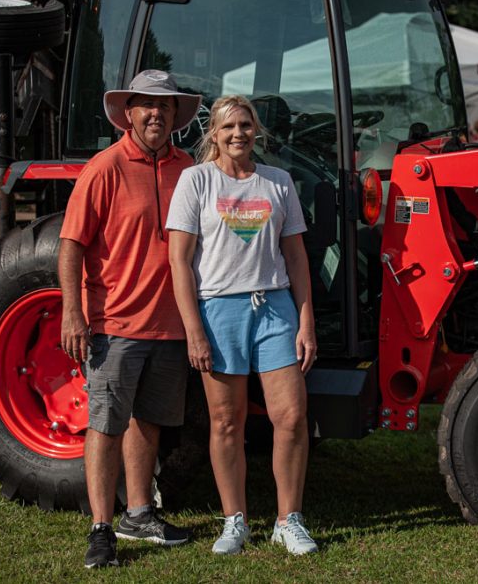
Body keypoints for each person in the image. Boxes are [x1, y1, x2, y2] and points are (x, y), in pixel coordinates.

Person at [59, 69, 201, 569]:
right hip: (114, 323)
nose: (156, 113)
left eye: (165, 106)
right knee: (106, 423)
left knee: (150, 421)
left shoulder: (190, 168)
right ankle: (101, 527)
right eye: (146, 105)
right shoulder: (105, 167)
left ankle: (139, 512)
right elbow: (71, 243)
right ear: (129, 113)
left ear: (176, 116)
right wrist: (73, 312)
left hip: (170, 324)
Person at [167, 95, 319, 556]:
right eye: (229, 126)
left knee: (291, 418)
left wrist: (306, 321)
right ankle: (235, 521)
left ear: (257, 132)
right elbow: (179, 260)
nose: (239, 133)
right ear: (213, 133)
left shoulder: (278, 182)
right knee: (226, 422)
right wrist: (194, 328)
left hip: (274, 308)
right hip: (219, 310)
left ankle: (288, 519)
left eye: (246, 125)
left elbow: (295, 257)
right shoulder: (196, 181)